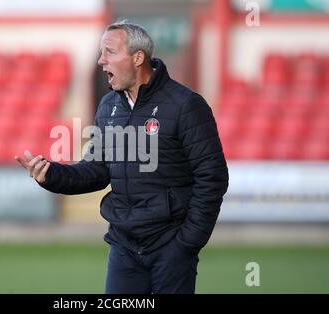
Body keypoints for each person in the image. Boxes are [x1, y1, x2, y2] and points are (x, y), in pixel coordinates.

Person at [15, 21, 229, 294]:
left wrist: (188, 242)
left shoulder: (186, 105)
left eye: (110, 52)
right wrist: (51, 174)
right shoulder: (108, 105)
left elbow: (213, 176)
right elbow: (96, 170)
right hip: (124, 245)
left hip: (172, 246)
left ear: (137, 58)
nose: (101, 61)